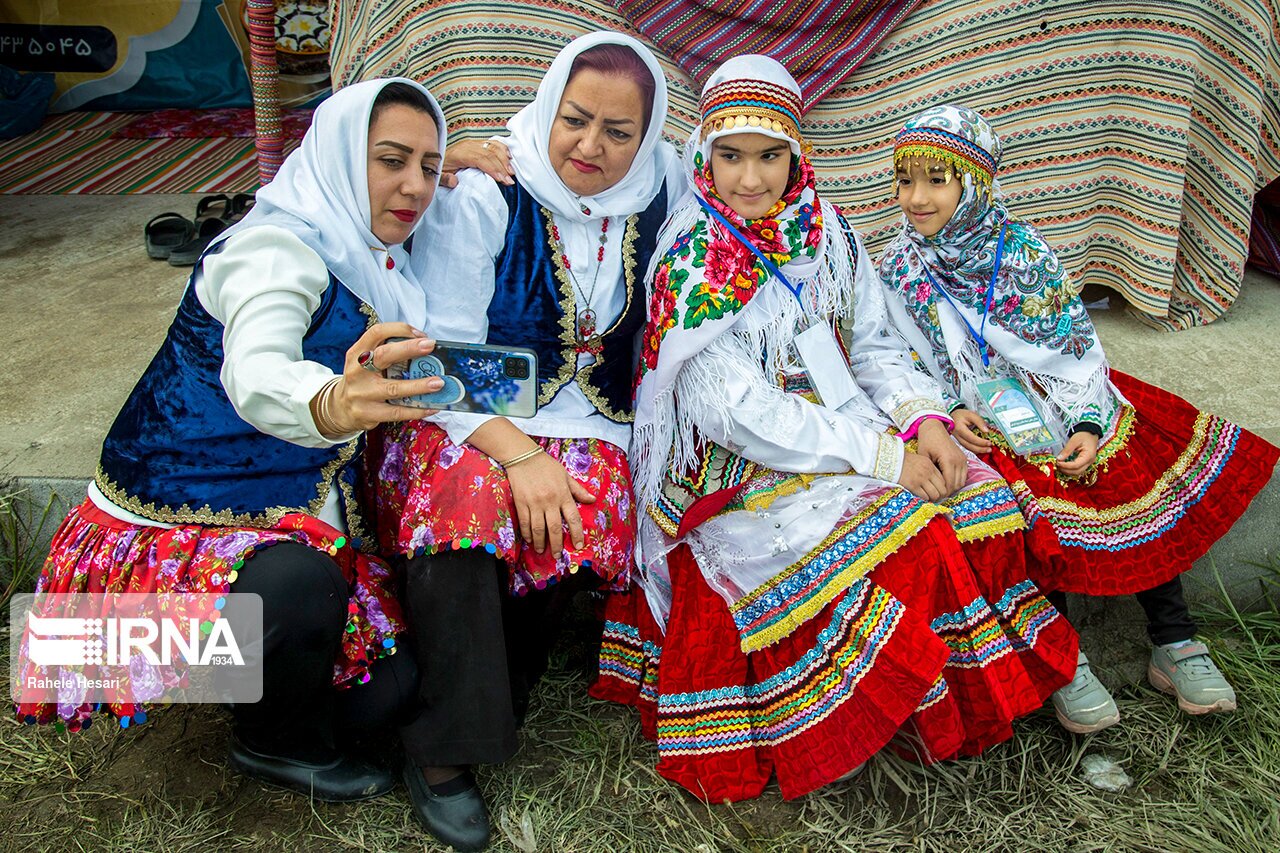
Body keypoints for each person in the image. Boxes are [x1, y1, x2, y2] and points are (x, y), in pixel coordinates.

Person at [588, 56, 1077, 803]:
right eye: (731, 156)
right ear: (703, 156)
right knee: (905, 523)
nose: (751, 179)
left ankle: (929, 705)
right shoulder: (692, 261)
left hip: (846, 428)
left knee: (984, 497)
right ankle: (853, 722)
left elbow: (875, 342)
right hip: (737, 467)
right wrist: (887, 455)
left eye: (770, 156)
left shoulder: (824, 230)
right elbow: (737, 413)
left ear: (796, 156)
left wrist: (925, 420)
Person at [15, 78, 451, 801]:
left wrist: (459, 158)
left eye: (429, 168)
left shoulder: (364, 243)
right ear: (340, 156)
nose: (414, 187)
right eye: (391, 160)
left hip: (273, 513)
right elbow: (258, 371)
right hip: (169, 532)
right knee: (300, 591)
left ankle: (255, 674)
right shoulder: (274, 252)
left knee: (388, 696)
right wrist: (332, 399)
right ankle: (265, 738)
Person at [368, 31, 681, 851]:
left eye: (620, 132)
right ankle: (442, 750)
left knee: (586, 506)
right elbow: (440, 359)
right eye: (575, 120)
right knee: (472, 495)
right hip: (465, 411)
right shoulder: (487, 193)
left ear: (647, 136)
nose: (591, 147)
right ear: (548, 106)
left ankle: (477, 676)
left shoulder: (665, 187)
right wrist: (522, 454)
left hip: (595, 423)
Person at [877, 103, 1280, 733]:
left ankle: (1174, 640)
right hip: (975, 412)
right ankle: (1069, 656)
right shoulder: (899, 269)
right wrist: (951, 409)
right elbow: (899, 360)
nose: (917, 197)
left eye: (937, 179)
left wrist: (1090, 422)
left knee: (1129, 465)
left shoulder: (1021, 252)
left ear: (976, 183)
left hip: (1063, 394)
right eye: (906, 180)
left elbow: (1075, 347)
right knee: (1025, 496)